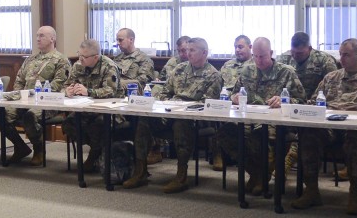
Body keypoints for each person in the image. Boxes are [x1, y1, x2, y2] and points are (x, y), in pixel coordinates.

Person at [292, 39, 357, 215]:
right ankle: (312, 190)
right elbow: (314, 101)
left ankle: (355, 194)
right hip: (330, 125)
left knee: (356, 137)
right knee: (308, 134)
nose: (341, 58)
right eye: (340, 54)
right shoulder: (331, 77)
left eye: (346, 55)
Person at [124, 37, 222, 193]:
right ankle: (140, 171)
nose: (188, 53)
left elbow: (208, 104)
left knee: (181, 122)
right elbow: (163, 93)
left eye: (192, 50)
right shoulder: (179, 69)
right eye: (187, 50)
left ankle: (181, 176)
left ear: (204, 53)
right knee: (144, 120)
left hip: (195, 119)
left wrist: (183, 107)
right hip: (171, 112)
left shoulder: (213, 75)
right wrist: (169, 103)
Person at [218, 37, 305, 197]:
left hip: (275, 122)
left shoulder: (286, 72)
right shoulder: (246, 71)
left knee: (261, 135)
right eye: (256, 56)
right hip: (249, 118)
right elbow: (233, 94)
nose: (259, 60)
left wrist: (284, 101)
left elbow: (302, 101)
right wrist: (235, 97)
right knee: (226, 133)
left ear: (271, 53)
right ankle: (256, 173)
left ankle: (262, 176)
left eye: (262, 56)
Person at [0, 26, 71, 166]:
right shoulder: (30, 59)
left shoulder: (61, 60)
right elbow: (19, 80)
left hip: (48, 102)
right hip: (24, 100)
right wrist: (20, 95)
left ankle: (39, 150)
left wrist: (37, 95)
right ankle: (20, 147)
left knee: (30, 116)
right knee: (0, 116)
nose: (38, 39)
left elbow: (59, 84)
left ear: (52, 39)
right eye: (37, 36)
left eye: (41, 36)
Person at [276, 32, 339, 172]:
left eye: (300, 53)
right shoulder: (284, 59)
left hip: (316, 107)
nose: (296, 56)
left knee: (307, 130)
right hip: (291, 105)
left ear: (309, 49)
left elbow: (334, 86)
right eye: (293, 52)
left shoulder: (324, 60)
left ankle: (289, 159)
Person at [62, 38, 122, 172]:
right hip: (86, 108)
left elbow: (110, 91)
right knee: (69, 123)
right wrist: (67, 91)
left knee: (98, 125)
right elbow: (65, 85)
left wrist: (88, 91)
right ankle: (99, 148)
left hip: (109, 110)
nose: (80, 59)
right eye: (79, 54)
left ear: (96, 57)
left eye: (84, 56)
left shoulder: (109, 66)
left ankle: (94, 155)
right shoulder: (78, 65)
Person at [212, 35, 253, 170]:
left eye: (240, 47)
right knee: (215, 117)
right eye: (235, 47)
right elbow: (218, 86)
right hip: (227, 101)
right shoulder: (227, 65)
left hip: (247, 103)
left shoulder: (256, 65)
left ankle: (247, 158)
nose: (237, 50)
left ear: (250, 47)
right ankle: (219, 154)